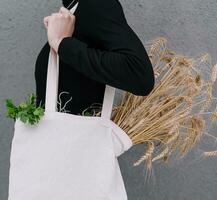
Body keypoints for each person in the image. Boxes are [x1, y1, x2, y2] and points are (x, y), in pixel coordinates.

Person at [34, 0, 155, 115]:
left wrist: (62, 43)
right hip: (60, 134)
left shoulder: (97, 4)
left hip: (76, 135)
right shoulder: (75, 6)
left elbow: (139, 75)